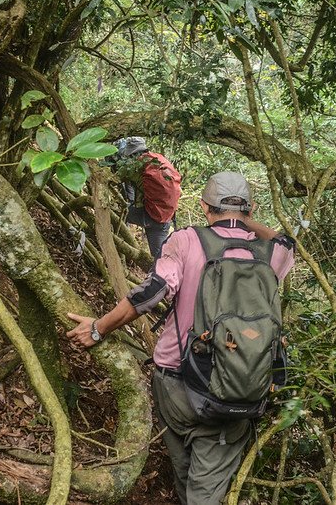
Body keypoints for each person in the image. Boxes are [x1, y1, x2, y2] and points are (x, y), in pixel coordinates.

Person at [66, 172, 295, 505]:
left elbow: (151, 292)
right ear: (251, 209)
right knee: (206, 489)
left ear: (204, 207)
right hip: (240, 389)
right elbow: (287, 241)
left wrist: (98, 328)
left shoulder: (186, 240)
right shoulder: (270, 253)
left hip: (176, 384)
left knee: (184, 470)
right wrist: (243, 221)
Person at [107, 136, 181, 259]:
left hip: (148, 215)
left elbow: (112, 179)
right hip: (165, 217)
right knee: (159, 259)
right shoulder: (159, 158)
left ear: (131, 153)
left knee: (114, 211)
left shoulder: (134, 166)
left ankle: (116, 245)